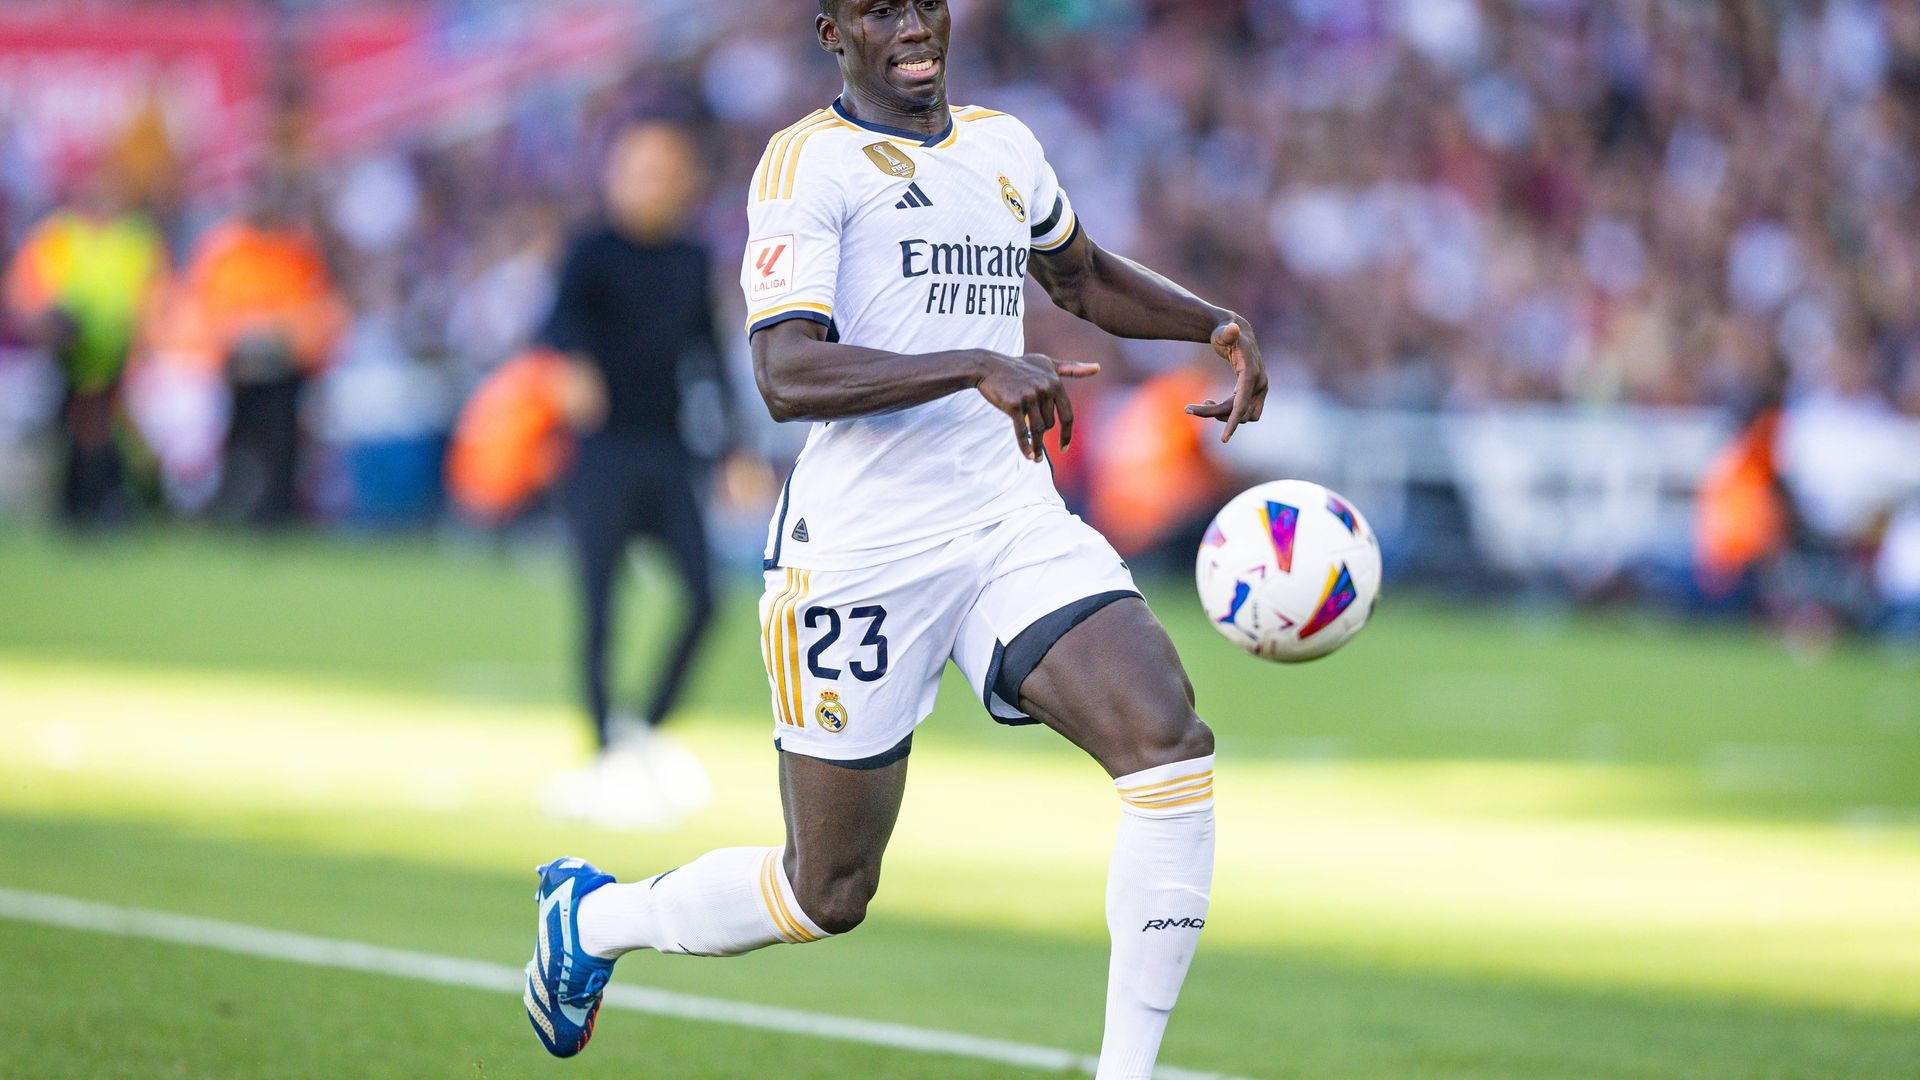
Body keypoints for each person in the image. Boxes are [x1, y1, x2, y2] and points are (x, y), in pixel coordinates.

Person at [523, 4, 1267, 1078]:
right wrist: (974, 362)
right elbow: (786, 372)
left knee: (1167, 739)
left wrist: (1211, 324)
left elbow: (1081, 276)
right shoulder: (807, 164)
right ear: (834, 33)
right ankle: (594, 921)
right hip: (862, 549)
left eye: (926, 2)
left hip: (1008, 519)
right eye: (882, 9)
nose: (914, 25)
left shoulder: (1004, 146)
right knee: (826, 890)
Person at [537, 121, 732, 826]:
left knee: (706, 598)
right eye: (639, 169)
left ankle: (645, 729)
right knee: (600, 607)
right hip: (602, 453)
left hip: (668, 449)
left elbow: (708, 355)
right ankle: (601, 752)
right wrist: (574, 367)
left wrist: (734, 447)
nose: (651, 183)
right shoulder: (590, 250)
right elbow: (556, 324)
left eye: (664, 170)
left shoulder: (690, 259)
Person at [4, 175, 167, 527]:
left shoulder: (137, 240)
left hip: (123, 361)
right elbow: (26, 301)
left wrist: (136, 342)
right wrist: (51, 325)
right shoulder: (55, 237)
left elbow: (158, 302)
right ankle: (75, 503)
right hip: (62, 359)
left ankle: (130, 501)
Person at [181, 181, 344, 527]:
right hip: (227, 368)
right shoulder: (224, 249)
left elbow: (317, 312)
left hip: (285, 366)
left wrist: (278, 339)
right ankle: (218, 505)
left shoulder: (297, 251)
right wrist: (243, 339)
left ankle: (279, 508)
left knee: (286, 432)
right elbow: (203, 311)